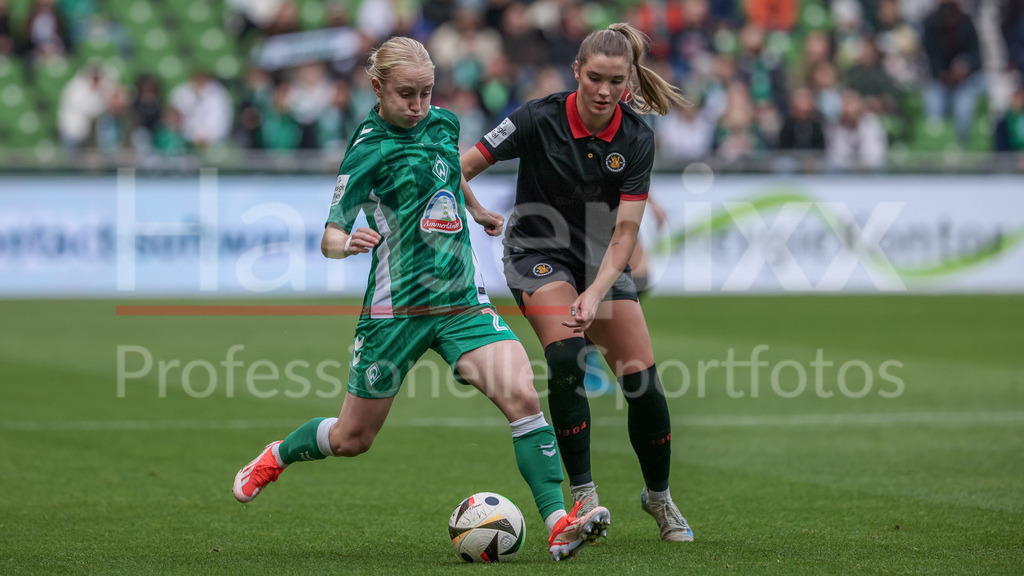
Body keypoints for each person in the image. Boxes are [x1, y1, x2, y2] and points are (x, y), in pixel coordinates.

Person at [231, 36, 610, 562]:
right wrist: (348, 243)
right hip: (395, 311)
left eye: (426, 92)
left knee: (522, 396)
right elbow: (329, 234)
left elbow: (450, 173)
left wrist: (473, 208)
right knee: (351, 438)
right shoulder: (367, 149)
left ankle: (557, 523)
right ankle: (277, 455)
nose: (418, 105)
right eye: (406, 94)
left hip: (461, 302)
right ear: (377, 88)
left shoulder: (443, 123)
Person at [460, 23, 695, 542]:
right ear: (577, 73)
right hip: (534, 254)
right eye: (594, 78)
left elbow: (626, 234)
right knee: (567, 356)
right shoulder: (535, 117)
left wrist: (594, 293)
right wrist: (474, 209)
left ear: (629, 81)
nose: (604, 91)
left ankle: (659, 498)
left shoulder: (636, 138)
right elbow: (458, 167)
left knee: (643, 383)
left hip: (600, 260)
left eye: (616, 81)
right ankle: (584, 497)